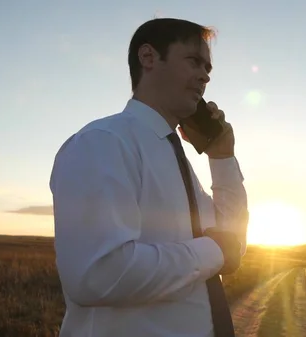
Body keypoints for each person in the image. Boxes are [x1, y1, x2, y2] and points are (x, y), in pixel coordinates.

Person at [49, 18, 249, 337]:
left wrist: (222, 157)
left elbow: (233, 241)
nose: (204, 76)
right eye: (194, 61)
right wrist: (213, 250)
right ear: (149, 57)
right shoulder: (103, 142)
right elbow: (98, 275)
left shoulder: (176, 159)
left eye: (208, 70)